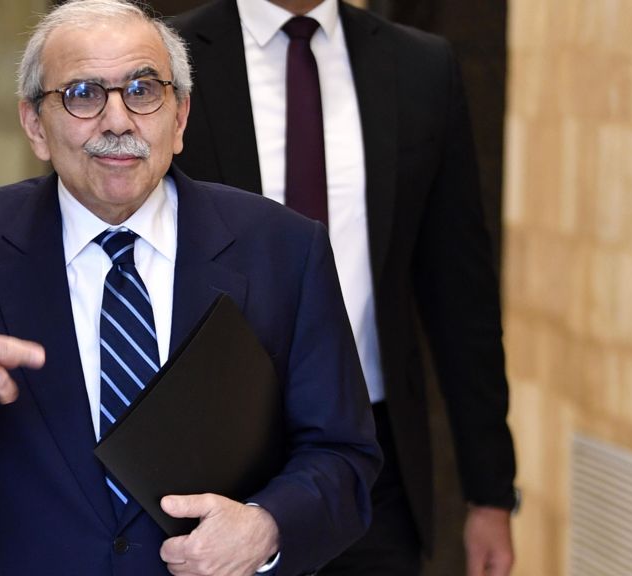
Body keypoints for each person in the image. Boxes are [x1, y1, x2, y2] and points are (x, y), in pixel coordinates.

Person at [0, 0, 381, 574]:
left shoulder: (283, 249)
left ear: (179, 118)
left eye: (143, 90)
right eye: (82, 95)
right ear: (35, 126)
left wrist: (266, 527)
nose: (117, 122)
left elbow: (343, 456)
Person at [171, 1, 516, 575]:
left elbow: (461, 297)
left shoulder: (419, 66)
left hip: (373, 465)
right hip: (208, 456)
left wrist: (492, 494)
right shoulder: (167, 59)